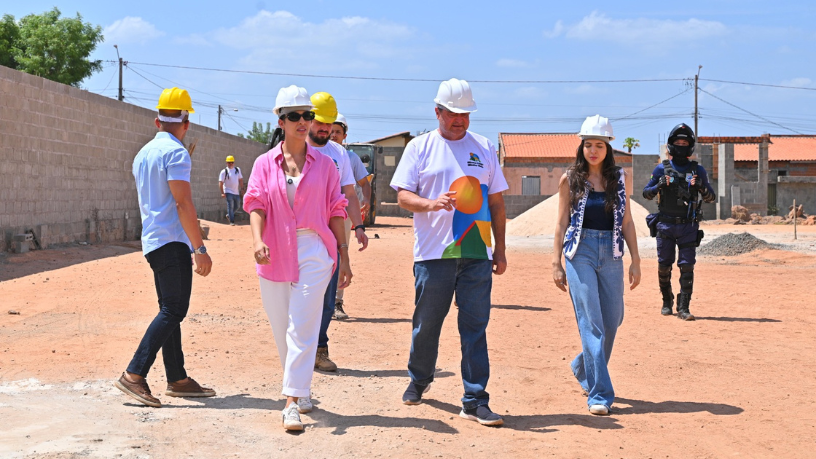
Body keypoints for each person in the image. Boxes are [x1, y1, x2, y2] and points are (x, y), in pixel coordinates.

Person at [391, 78, 509, 427]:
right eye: (453, 113)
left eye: (465, 114)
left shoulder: (485, 147)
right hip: (433, 254)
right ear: (437, 111)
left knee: (475, 326)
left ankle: (475, 399)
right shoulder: (419, 148)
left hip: (476, 251)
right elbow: (402, 196)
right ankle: (420, 378)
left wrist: (499, 250)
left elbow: (497, 203)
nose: (459, 120)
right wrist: (430, 203)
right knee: (427, 323)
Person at [243, 85, 351, 431]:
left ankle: (290, 402)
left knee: (302, 324)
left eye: (308, 115)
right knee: (281, 326)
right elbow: (256, 204)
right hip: (274, 249)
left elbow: (337, 209)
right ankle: (301, 388)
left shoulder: (327, 165)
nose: (303, 121)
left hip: (315, 250)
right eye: (295, 116)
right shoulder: (264, 164)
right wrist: (258, 241)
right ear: (280, 120)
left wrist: (343, 255)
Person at [115, 87, 215, 408]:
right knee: (174, 309)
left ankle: (177, 378)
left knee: (170, 309)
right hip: (172, 242)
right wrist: (199, 248)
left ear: (157, 120)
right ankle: (134, 373)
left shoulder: (142, 154)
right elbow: (183, 202)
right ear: (185, 122)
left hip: (154, 241)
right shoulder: (176, 153)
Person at [552, 115, 641, 416]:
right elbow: (562, 222)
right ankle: (599, 394)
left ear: (608, 148)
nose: (593, 150)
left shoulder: (620, 179)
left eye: (599, 145)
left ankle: (582, 366)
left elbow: (627, 221)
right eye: (588, 144)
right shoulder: (570, 179)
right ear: (582, 146)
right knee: (592, 323)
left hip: (613, 252)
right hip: (580, 252)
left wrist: (636, 261)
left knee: (613, 319)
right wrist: (556, 262)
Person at [307, 93, 368, 372]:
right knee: (301, 296)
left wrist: (359, 226)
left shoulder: (339, 153)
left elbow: (349, 194)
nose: (326, 128)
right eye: (321, 121)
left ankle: (319, 349)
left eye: (331, 123)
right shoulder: (293, 148)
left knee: (329, 298)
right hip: (300, 235)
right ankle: (299, 350)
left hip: (331, 233)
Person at [642, 124, 716, 321]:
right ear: (671, 146)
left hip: (688, 226)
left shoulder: (698, 169)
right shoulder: (661, 168)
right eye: (678, 143)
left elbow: (711, 198)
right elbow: (646, 193)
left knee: (687, 266)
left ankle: (684, 307)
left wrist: (700, 186)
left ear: (690, 146)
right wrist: (659, 185)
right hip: (665, 224)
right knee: (664, 265)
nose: (681, 146)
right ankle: (667, 301)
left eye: (685, 143)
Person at [330, 113, 372, 320]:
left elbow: (363, 183)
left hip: (343, 214)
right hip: (318, 213)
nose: (333, 135)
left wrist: (366, 203)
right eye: (331, 131)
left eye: (338, 132)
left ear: (345, 135)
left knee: (340, 254)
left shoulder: (350, 158)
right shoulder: (314, 153)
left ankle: (337, 302)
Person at [219, 155, 244, 226]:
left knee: (238, 206)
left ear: (234, 163)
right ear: (226, 163)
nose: (230, 164)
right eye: (229, 162)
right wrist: (222, 192)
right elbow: (220, 183)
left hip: (236, 192)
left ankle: (229, 215)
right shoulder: (224, 171)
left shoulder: (237, 170)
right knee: (230, 206)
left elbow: (240, 180)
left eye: (231, 162)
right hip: (228, 191)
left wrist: (242, 189)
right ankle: (232, 221)